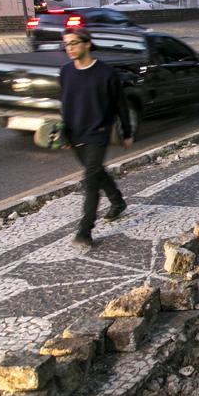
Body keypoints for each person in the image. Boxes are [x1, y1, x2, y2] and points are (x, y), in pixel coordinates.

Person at [59, 27, 133, 249]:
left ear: (87, 43)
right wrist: (64, 133)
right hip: (75, 134)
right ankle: (117, 201)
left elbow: (121, 105)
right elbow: (65, 104)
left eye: (73, 43)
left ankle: (84, 231)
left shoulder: (106, 74)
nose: (69, 48)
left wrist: (126, 132)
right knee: (97, 172)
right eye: (66, 44)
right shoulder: (65, 72)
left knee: (90, 180)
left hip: (98, 133)